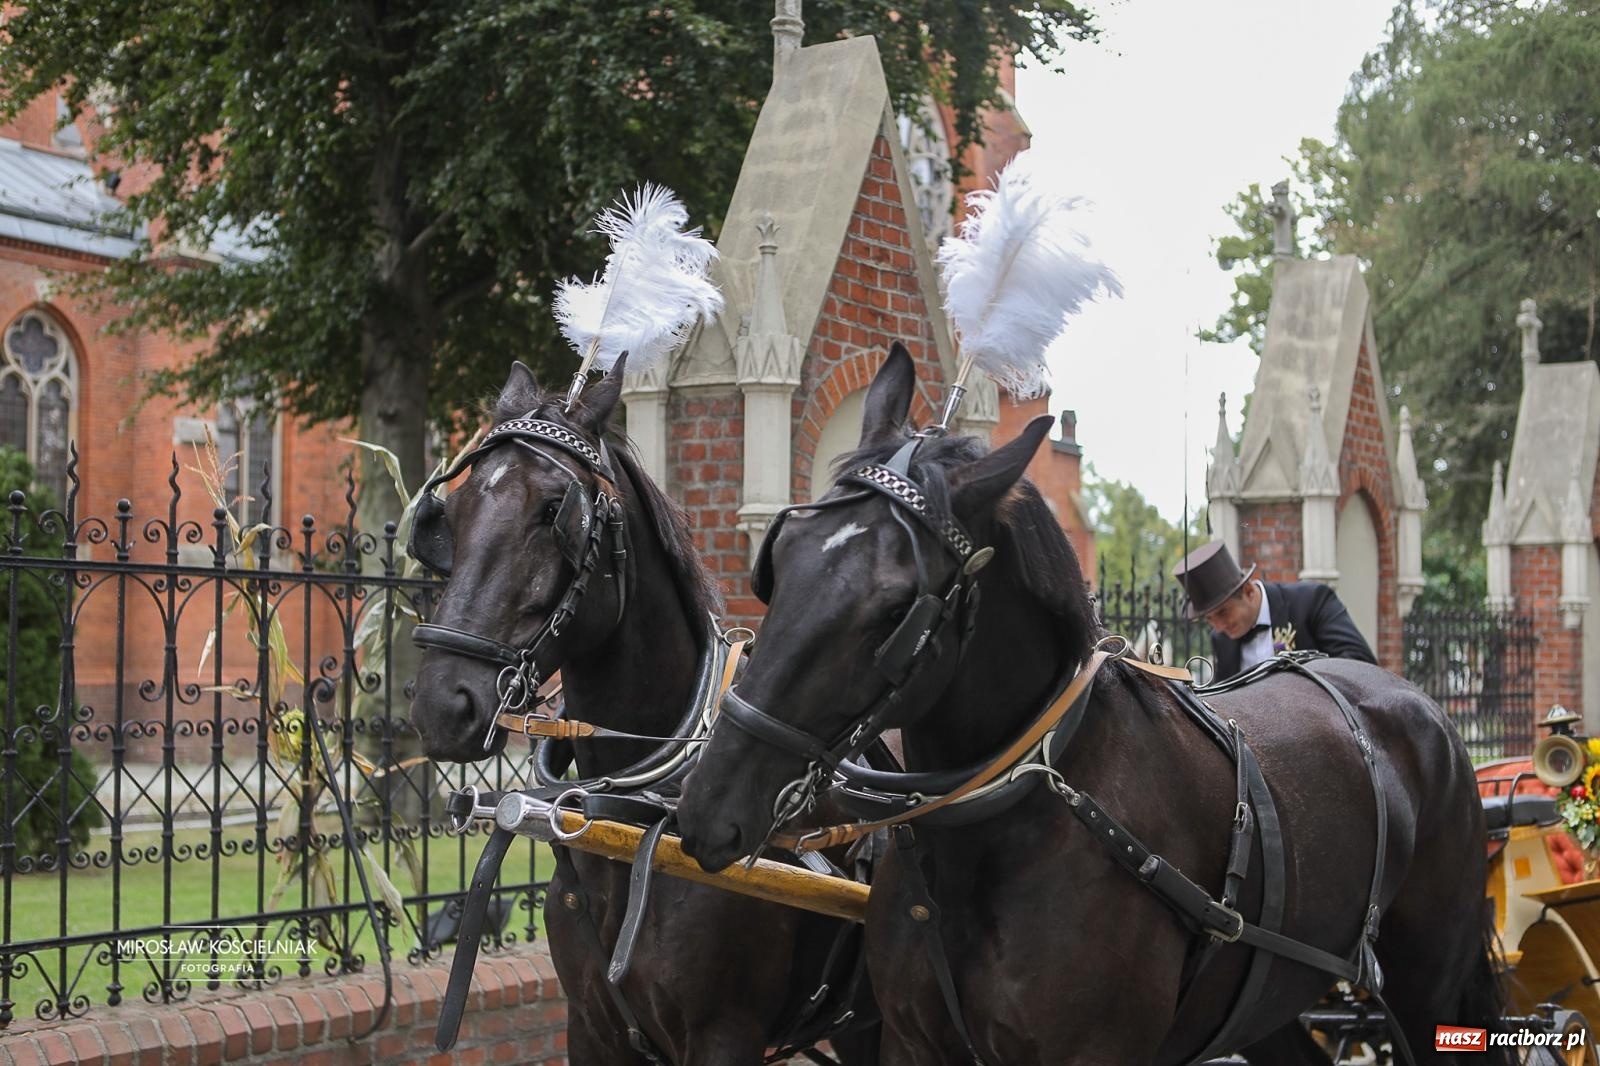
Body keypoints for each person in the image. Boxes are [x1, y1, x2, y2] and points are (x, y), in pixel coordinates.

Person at [1173, 540, 1375, 683]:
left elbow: (1360, 662)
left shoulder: (1312, 601)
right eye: (1209, 619)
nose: (1218, 627)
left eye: (1223, 613)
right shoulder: (1221, 640)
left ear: (1249, 591)